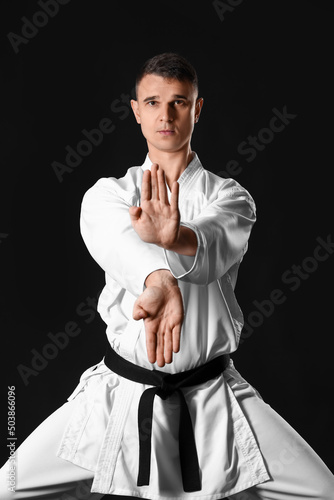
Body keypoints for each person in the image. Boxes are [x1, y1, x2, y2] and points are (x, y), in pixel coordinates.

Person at [1, 52, 333, 500]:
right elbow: (116, 240)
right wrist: (158, 279)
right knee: (10, 486)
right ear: (136, 111)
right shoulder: (109, 195)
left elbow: (214, 244)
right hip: (118, 394)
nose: (166, 114)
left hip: (213, 395)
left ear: (197, 109)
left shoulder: (231, 197)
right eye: (153, 101)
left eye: (179, 102)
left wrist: (176, 237)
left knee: (322, 490)